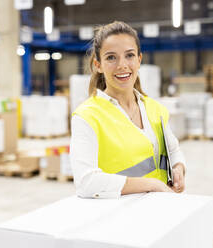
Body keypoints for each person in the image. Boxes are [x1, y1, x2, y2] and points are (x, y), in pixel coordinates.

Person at [70, 21, 186, 199]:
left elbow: (174, 150)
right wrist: (152, 185)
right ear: (98, 65)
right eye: (111, 57)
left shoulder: (154, 109)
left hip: (159, 207)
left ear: (139, 60)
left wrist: (179, 167)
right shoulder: (87, 116)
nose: (122, 65)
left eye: (129, 55)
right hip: (117, 216)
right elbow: (86, 182)